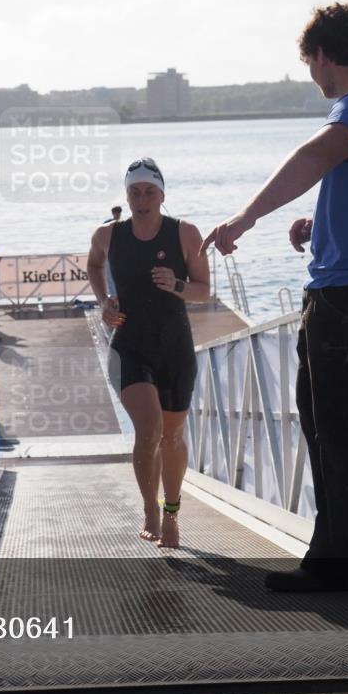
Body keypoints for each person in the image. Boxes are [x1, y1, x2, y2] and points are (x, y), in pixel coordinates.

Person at [199, 2, 348, 592]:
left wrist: (244, 218)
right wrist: (317, 228)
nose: (314, 77)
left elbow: (313, 157)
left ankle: (339, 564)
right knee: (327, 418)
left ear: (324, 55)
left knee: (338, 423)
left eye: (311, 64)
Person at [87, 158, 210, 548]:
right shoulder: (108, 235)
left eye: (149, 192)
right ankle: (150, 508)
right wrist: (103, 300)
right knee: (150, 430)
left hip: (175, 347)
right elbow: (92, 264)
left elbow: (204, 290)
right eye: (134, 192)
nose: (142, 200)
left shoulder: (185, 233)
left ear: (162, 194)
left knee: (172, 438)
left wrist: (176, 284)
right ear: (126, 195)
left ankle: (172, 512)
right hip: (129, 346)